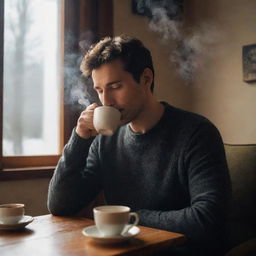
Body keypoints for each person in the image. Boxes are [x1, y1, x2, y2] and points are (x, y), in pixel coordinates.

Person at [47, 35, 231, 256]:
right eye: (99, 90)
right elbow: (60, 205)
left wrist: (131, 218)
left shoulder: (196, 132)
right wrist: (80, 138)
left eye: (115, 86)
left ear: (146, 78)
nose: (106, 101)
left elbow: (208, 219)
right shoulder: (106, 140)